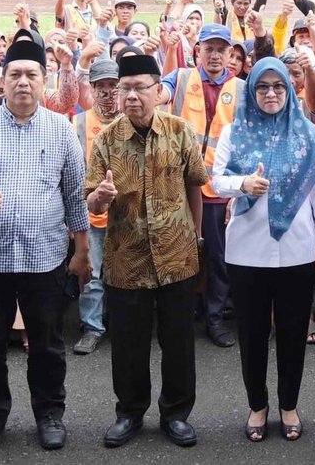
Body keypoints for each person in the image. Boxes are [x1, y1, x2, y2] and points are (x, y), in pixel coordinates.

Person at [0, 38, 92, 453]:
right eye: (15, 75)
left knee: (47, 345)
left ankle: (49, 414)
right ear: (2, 81)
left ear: (44, 81)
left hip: (45, 258)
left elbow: (74, 196)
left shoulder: (61, 130)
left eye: (31, 75)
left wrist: (82, 252)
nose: (23, 82)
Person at [85, 53, 208, 450]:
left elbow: (194, 187)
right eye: (125, 89)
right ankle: (130, 413)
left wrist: (196, 238)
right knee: (128, 344)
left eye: (140, 88)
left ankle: (176, 414)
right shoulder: (106, 140)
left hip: (177, 255)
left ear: (158, 91)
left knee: (179, 341)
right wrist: (101, 197)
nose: (132, 96)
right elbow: (91, 199)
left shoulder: (180, 131)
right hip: (127, 258)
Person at [209, 57, 315, 443]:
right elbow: (216, 180)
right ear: (251, 91)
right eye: (262, 87)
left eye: (278, 86)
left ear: (289, 89)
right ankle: (258, 405)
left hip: (297, 248)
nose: (271, 93)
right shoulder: (235, 131)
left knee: (294, 332)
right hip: (247, 250)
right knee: (252, 333)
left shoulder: (309, 135)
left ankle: (289, 405)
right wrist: (243, 184)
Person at [160, 23, 244, 348]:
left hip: (220, 192)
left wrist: (237, 194)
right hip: (181, 188)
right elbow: (161, 94)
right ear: (198, 51)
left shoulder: (241, 89)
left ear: (230, 53)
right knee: (180, 257)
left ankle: (215, 319)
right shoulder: (180, 78)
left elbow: (246, 145)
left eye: (221, 50)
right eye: (209, 49)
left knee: (220, 260)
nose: (215, 55)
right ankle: (180, 318)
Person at [70, 58, 121, 356]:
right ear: (91, 88)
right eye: (101, 86)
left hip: (126, 214)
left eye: (113, 85)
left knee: (127, 272)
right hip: (89, 214)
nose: (107, 92)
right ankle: (91, 327)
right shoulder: (78, 123)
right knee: (91, 274)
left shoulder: (131, 119)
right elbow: (71, 173)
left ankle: (125, 325)